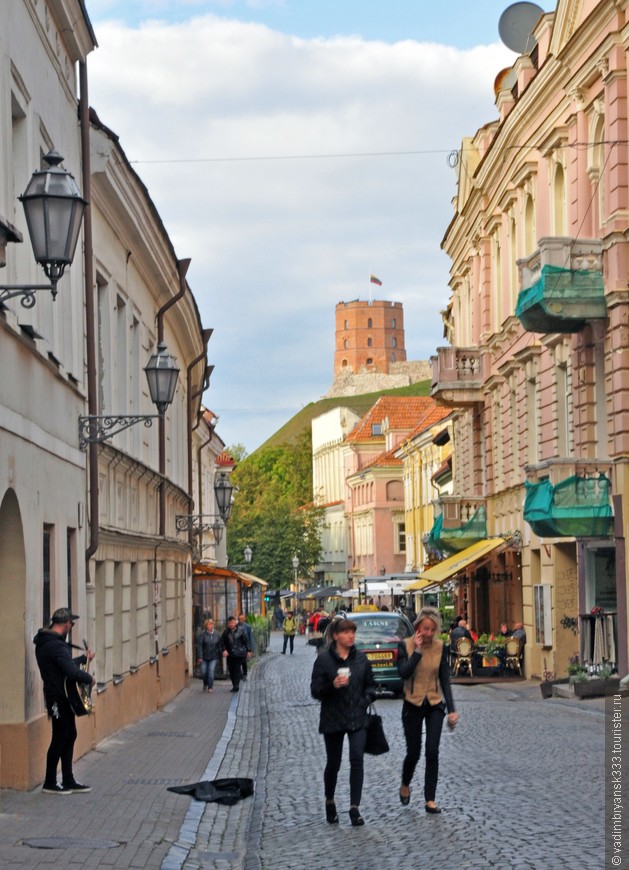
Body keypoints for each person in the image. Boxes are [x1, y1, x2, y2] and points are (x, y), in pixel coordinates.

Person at [310, 617, 377, 827]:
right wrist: (332, 685)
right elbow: (315, 691)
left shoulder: (361, 660)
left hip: (357, 716)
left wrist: (365, 701)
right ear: (336, 636)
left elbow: (372, 686)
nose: (351, 636)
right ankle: (330, 800)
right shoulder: (324, 660)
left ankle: (354, 808)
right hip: (333, 717)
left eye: (353, 632)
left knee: (357, 758)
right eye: (347, 632)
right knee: (334, 763)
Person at [397, 606, 459, 814]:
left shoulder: (441, 647)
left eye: (433, 630)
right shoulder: (404, 646)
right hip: (412, 703)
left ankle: (430, 799)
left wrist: (451, 709)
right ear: (418, 628)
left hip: (434, 704)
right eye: (425, 629)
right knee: (413, 752)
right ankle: (405, 783)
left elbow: (445, 679)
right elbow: (403, 673)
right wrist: (416, 651)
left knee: (432, 751)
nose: (429, 634)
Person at [33, 608, 96, 795]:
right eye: (72, 624)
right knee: (60, 737)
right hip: (57, 697)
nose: (71, 627)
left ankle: (68, 779)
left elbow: (63, 665)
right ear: (66, 623)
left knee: (69, 734)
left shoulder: (48, 643)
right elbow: (70, 671)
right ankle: (50, 783)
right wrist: (88, 678)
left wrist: (84, 659)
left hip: (61, 696)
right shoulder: (56, 646)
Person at [220, 615, 252, 692]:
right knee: (231, 670)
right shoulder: (226, 632)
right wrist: (224, 650)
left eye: (233, 623)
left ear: (235, 623)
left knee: (237, 670)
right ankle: (234, 684)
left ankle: (236, 685)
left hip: (239, 653)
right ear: (228, 624)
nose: (231, 624)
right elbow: (222, 642)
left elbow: (246, 641)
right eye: (230, 623)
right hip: (230, 654)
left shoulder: (241, 631)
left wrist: (249, 650)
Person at [196, 618, 221, 693]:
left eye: (212, 624)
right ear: (206, 626)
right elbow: (199, 646)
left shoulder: (217, 634)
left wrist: (220, 652)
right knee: (204, 672)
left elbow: (219, 645)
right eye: (209, 624)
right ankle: (205, 683)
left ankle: (210, 687)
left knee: (211, 671)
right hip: (204, 657)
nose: (211, 626)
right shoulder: (202, 635)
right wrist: (200, 656)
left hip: (213, 657)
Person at [238, 613, 255, 681]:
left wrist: (250, 650)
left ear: (244, 619)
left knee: (243, 661)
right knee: (238, 662)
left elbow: (250, 638)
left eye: (242, 619)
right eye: (239, 619)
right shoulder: (236, 626)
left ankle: (245, 674)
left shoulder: (247, 627)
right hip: (238, 647)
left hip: (245, 647)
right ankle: (240, 675)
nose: (240, 620)